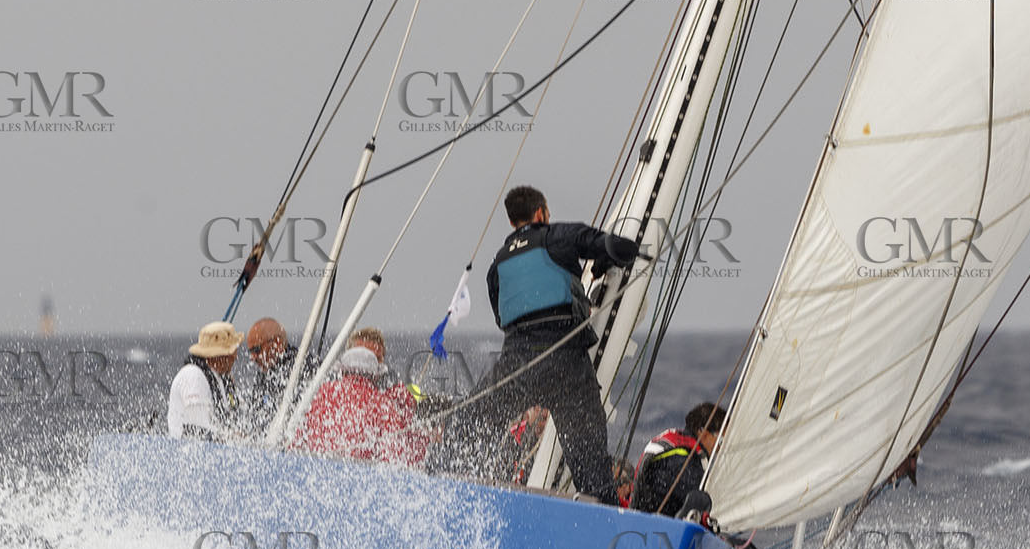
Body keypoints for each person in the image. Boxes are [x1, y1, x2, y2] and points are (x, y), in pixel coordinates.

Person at [465, 185, 642, 503]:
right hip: (566, 365)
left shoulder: (497, 267)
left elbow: (503, 319)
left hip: (518, 365)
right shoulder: (559, 236)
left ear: (512, 222)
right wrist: (606, 262)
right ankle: (601, 512)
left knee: (470, 424)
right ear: (540, 213)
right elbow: (618, 247)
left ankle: (456, 483)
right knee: (591, 468)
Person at [291, 328, 430, 466]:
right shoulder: (383, 405)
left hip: (318, 469)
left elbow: (294, 447)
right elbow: (398, 461)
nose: (370, 358)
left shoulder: (318, 394)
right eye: (367, 354)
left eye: (378, 358)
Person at [633, 402, 725, 518]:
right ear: (703, 433)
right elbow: (708, 500)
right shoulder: (681, 458)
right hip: (652, 526)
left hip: (638, 520)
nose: (721, 449)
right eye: (721, 441)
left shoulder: (673, 444)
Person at [167, 321, 243, 439]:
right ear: (218, 357)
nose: (235, 356)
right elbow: (195, 432)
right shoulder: (193, 376)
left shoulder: (221, 379)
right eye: (232, 352)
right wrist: (232, 438)